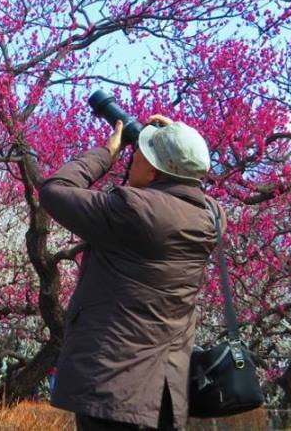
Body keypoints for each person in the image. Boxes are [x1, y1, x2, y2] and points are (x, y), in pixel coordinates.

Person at [38, 114, 222, 431]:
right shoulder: (212, 216)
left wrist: (106, 153)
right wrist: (176, 138)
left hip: (113, 386)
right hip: (164, 393)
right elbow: (186, 180)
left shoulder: (133, 210)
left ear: (152, 172)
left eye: (138, 153)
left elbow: (55, 190)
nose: (132, 156)